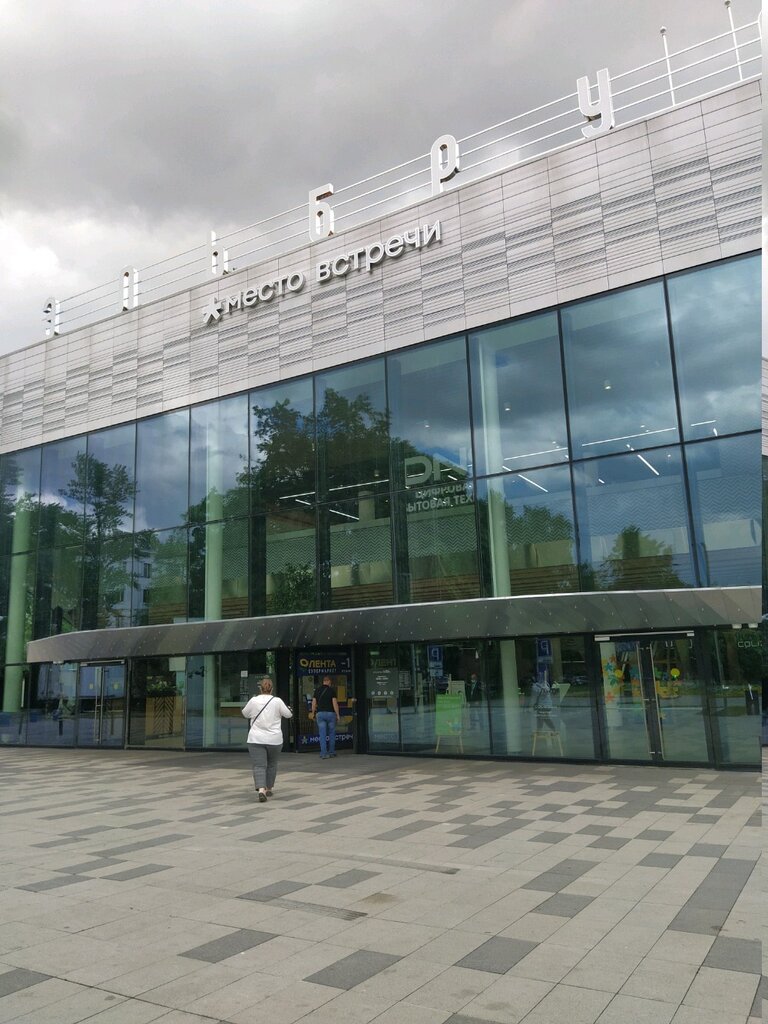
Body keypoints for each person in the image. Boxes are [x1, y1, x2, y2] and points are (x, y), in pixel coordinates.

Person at [241, 677, 292, 802]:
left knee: (259, 765)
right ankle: (269, 788)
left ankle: (261, 790)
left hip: (256, 739)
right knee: (272, 764)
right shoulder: (277, 701)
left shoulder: (253, 701)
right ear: (271, 689)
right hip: (274, 739)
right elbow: (288, 714)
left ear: (260, 688)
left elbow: (245, 713)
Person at [311, 674, 340, 759]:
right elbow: (335, 703)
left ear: (323, 682)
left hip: (320, 714)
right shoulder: (332, 691)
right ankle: (332, 752)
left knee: (322, 734)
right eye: (330, 682)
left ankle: (323, 753)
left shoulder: (317, 690)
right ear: (329, 682)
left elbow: (313, 703)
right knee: (331, 733)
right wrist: (337, 714)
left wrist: (313, 713)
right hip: (331, 714)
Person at [532, 669, 558, 733]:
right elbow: (539, 693)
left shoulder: (546, 684)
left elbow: (546, 692)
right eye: (539, 676)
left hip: (545, 705)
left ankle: (543, 730)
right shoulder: (536, 686)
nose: (540, 677)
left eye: (542, 676)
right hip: (542, 704)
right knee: (542, 717)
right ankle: (541, 730)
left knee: (543, 717)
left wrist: (545, 689)